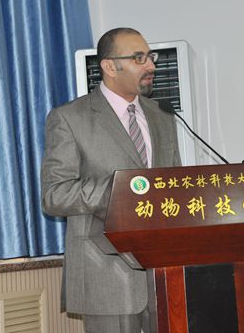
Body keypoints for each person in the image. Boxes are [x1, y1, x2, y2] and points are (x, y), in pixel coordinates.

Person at [41, 27, 181, 333]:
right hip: (105, 272)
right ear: (109, 66)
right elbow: (54, 195)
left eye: (151, 57)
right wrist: (118, 191)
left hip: (164, 272)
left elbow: (173, 184)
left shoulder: (163, 115)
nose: (151, 65)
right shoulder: (70, 118)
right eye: (139, 58)